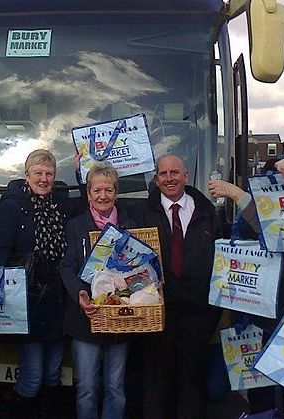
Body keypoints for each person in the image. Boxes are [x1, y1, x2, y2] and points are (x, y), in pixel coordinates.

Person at [129, 154, 222, 419]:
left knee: (192, 384)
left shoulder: (208, 211)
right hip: (158, 313)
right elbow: (98, 206)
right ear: (156, 180)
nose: (169, 178)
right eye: (163, 174)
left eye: (175, 173)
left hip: (198, 313)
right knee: (156, 385)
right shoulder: (141, 214)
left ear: (186, 176)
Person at [0, 149, 74, 416]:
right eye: (38, 173)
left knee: (52, 375)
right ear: (27, 175)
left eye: (49, 174)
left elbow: (95, 198)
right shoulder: (12, 206)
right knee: (33, 377)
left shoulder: (63, 204)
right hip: (27, 301)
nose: (44, 179)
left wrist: (84, 170)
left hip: (58, 299)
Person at [59, 163, 136, 419]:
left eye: (109, 190)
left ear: (116, 193)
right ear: (88, 194)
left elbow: (141, 270)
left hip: (120, 319)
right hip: (86, 319)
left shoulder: (130, 226)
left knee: (116, 387)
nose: (103, 196)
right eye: (97, 190)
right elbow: (67, 266)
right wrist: (79, 295)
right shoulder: (76, 226)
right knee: (87, 388)